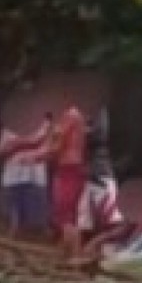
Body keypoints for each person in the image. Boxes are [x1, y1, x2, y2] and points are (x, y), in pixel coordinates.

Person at [0, 116, 52, 237]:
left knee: (36, 212)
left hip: (35, 176)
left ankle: (36, 235)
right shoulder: (10, 129)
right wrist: (19, 143)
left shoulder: (45, 127)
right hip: (13, 175)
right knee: (13, 207)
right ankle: (13, 231)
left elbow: (50, 151)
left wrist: (35, 152)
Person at [51, 105, 89, 253]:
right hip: (74, 167)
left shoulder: (68, 115)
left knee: (64, 215)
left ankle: (75, 255)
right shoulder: (78, 114)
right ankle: (68, 253)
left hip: (68, 167)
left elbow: (58, 145)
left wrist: (34, 154)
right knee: (69, 215)